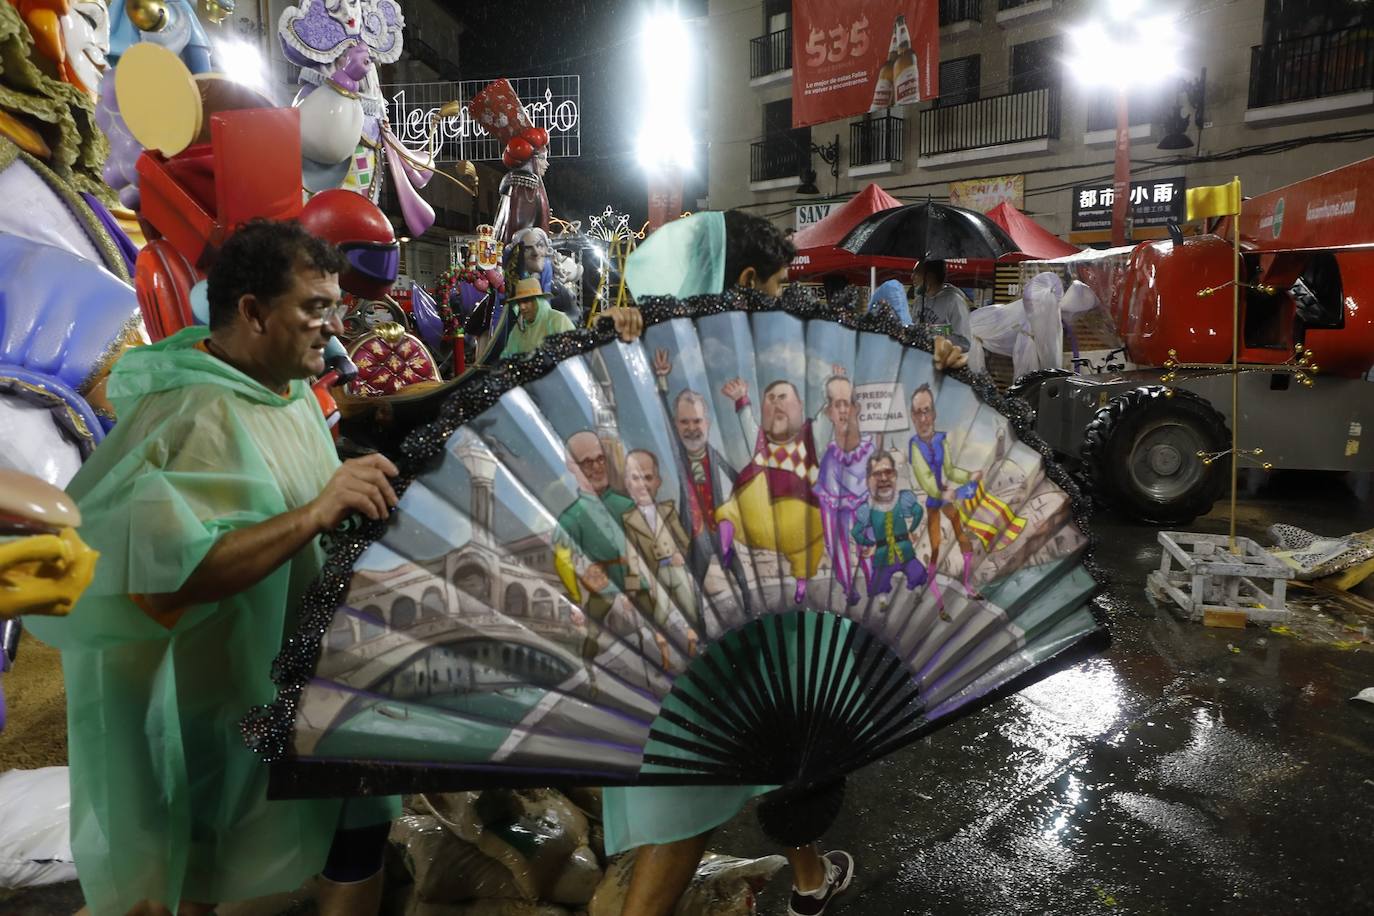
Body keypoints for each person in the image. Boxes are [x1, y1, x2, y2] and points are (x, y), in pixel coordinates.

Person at [26, 220, 402, 916]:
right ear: (254, 313)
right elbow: (169, 578)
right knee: (210, 865)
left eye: (335, 309)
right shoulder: (193, 413)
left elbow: (290, 500)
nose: (332, 327)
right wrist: (318, 512)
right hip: (228, 695)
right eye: (314, 309)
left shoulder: (283, 391)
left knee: (360, 827)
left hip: (311, 675)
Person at [650, 351, 753, 613]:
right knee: (695, 586)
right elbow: (664, 422)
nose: (691, 428)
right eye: (684, 422)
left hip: (720, 528)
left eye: (696, 421)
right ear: (677, 424)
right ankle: (703, 630)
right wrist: (661, 383)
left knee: (740, 577)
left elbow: (739, 478)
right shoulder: (677, 455)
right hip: (693, 533)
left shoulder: (714, 454)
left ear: (706, 423)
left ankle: (752, 612)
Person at [621, 449, 700, 653]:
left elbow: (683, 540)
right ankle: (667, 653)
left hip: (676, 568)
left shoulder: (668, 510)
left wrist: (682, 555)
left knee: (690, 608)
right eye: (636, 478)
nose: (643, 485)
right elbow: (632, 557)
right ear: (628, 484)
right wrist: (631, 591)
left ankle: (695, 643)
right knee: (660, 614)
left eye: (648, 477)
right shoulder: (630, 520)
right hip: (654, 575)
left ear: (658, 481)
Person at [815, 370, 876, 605]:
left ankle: (873, 582)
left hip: (862, 499)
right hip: (832, 497)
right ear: (829, 411)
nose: (843, 410)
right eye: (837, 404)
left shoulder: (869, 450)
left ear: (856, 408)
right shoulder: (828, 455)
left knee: (867, 538)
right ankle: (848, 587)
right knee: (834, 541)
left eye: (848, 403)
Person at [850, 452, 928, 608]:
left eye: (888, 472)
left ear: (895, 475)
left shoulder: (903, 499)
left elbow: (918, 511)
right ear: (868, 480)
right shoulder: (867, 509)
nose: (884, 478)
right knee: (881, 578)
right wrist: (870, 543)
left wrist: (911, 530)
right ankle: (883, 602)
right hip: (883, 553)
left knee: (915, 570)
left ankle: (918, 593)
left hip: (904, 548)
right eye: (877, 474)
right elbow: (855, 532)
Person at [501, 275, 576, 359]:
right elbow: (506, 357)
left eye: (526, 301)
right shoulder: (518, 329)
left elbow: (572, 356)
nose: (522, 307)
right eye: (519, 302)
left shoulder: (558, 320)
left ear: (538, 301)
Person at [912, 259, 972, 349]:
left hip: (943, 361)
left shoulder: (954, 301)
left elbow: (964, 342)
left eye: (917, 273)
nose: (912, 277)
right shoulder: (919, 301)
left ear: (929, 276)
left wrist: (933, 331)